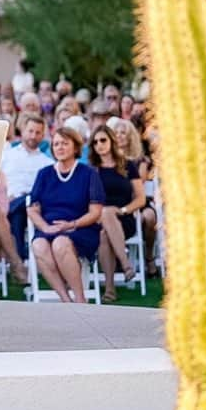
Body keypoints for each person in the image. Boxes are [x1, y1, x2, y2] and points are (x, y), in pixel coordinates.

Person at [28, 128, 105, 303]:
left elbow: (96, 212)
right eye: (56, 144)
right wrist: (45, 227)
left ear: (76, 147)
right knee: (38, 245)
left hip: (81, 228)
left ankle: (79, 299)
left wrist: (71, 225)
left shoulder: (89, 174)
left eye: (65, 143)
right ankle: (65, 300)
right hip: (50, 228)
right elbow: (32, 209)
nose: (60, 147)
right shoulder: (44, 174)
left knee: (60, 243)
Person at [88, 126, 144, 301]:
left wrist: (122, 210)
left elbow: (141, 199)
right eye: (95, 142)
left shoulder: (128, 166)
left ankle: (110, 288)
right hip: (97, 220)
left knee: (107, 221)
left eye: (103, 140)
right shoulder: (92, 170)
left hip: (124, 218)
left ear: (112, 141)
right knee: (104, 224)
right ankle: (125, 266)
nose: (99, 145)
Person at [0, 114, 53, 258]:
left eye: (38, 132)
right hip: (8, 204)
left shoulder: (47, 163)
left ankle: (18, 261)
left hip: (35, 207)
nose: (33, 136)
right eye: (30, 131)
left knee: (26, 202)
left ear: (43, 135)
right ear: (22, 131)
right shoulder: (6, 156)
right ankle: (21, 259)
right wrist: (4, 199)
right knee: (20, 211)